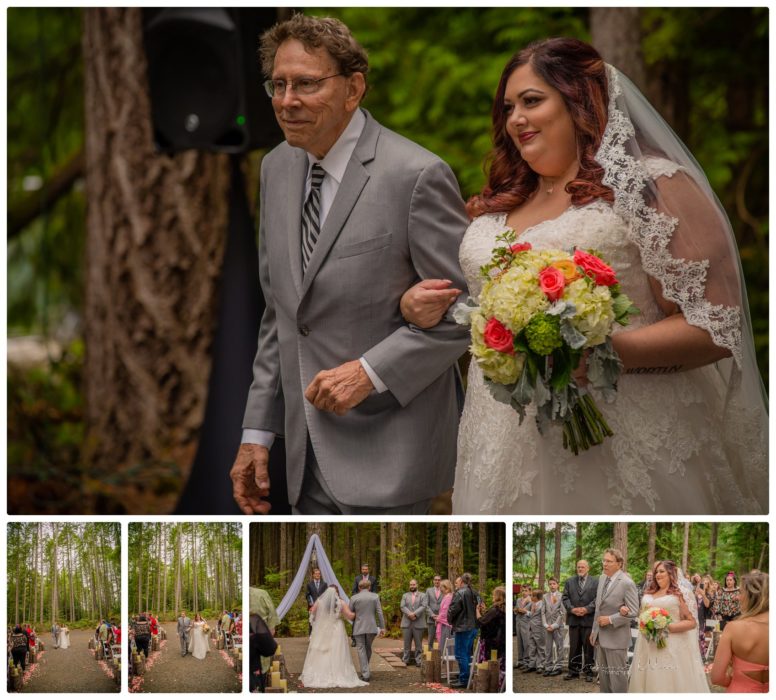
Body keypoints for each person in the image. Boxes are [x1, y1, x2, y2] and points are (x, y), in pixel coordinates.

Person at [399, 36, 768, 515]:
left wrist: (603, 352)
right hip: (501, 437)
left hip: (627, 429)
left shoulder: (652, 187)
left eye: (532, 101)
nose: (516, 118)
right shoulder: (495, 204)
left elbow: (717, 326)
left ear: (580, 100)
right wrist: (421, 308)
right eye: (508, 107)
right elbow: (485, 311)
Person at [230, 13, 470, 516]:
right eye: (279, 84)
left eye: (307, 84)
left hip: (391, 454)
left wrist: (370, 371)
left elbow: (468, 311)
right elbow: (282, 315)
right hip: (300, 458)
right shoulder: (274, 168)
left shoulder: (417, 175)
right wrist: (257, 433)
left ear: (353, 88)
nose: (287, 100)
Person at [628, 560, 709, 692]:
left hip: (669, 646)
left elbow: (692, 622)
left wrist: (666, 627)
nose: (657, 575)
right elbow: (643, 614)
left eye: (661, 572)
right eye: (656, 572)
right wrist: (645, 623)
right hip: (647, 645)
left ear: (670, 573)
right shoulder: (649, 592)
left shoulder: (680, 593)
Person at [710, 571, 768, 692]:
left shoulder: (733, 628)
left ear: (752, 596)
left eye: (741, 592)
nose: (738, 597)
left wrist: (737, 682)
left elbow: (716, 677)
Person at [590, 548, 638, 693]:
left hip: (617, 639)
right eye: (604, 560)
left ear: (619, 564)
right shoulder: (602, 578)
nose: (605, 564)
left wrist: (611, 619)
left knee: (617, 680)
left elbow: (634, 611)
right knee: (604, 679)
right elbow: (599, 608)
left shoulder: (626, 583)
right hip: (601, 636)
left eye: (609, 561)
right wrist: (594, 631)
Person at [299, 586, 367, 688]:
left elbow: (311, 612)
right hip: (337, 629)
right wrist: (359, 612)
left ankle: (320, 674)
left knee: (322, 651)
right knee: (337, 650)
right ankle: (338, 673)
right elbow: (350, 616)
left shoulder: (319, 601)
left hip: (323, 628)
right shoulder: (341, 603)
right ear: (337, 593)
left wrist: (318, 621)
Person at [561, 560, 597, 682]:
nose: (580, 569)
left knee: (588, 647)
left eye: (582, 567)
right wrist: (572, 609)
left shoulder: (596, 581)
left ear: (588, 568)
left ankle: (588, 671)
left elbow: (598, 599)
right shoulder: (569, 581)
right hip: (574, 619)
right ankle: (573, 671)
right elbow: (565, 598)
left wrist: (587, 609)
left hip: (588, 619)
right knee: (574, 646)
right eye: (578, 567)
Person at [349, 578, 386, 681]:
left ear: (359, 587)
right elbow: (380, 612)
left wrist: (353, 623)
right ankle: (366, 671)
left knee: (361, 649)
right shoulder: (375, 597)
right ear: (369, 587)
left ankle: (365, 673)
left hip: (358, 627)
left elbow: (351, 614)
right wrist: (382, 627)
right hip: (371, 627)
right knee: (368, 648)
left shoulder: (354, 598)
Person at [448, 573, 479, 688]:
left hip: (463, 627)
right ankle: (465, 675)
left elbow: (452, 609)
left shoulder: (460, 593)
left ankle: (464, 679)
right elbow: (481, 606)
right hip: (474, 627)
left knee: (460, 654)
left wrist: (450, 620)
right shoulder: (476, 592)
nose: (456, 584)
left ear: (462, 581)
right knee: (466, 653)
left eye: (457, 582)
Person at [475, 586, 506, 680]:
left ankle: (489, 682)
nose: (492, 596)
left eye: (494, 594)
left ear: (498, 596)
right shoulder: (503, 608)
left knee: (490, 664)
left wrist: (477, 610)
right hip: (501, 641)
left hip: (492, 642)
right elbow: (491, 621)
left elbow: (481, 621)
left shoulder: (495, 609)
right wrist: (484, 610)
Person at [400, 579, 427, 666]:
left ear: (417, 585)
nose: (412, 586)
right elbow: (402, 606)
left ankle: (418, 661)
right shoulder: (405, 595)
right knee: (406, 643)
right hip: (407, 623)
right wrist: (409, 614)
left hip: (418, 623)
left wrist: (414, 614)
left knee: (418, 644)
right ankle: (405, 660)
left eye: (414, 584)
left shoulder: (423, 595)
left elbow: (423, 606)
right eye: (411, 585)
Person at [541, 578, 564, 676]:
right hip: (547, 625)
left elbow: (562, 612)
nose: (552, 586)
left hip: (557, 626)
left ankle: (558, 666)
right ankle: (548, 666)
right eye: (550, 584)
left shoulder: (562, 596)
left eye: (554, 584)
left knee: (559, 646)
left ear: (557, 585)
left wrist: (554, 625)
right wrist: (546, 624)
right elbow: (542, 612)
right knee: (548, 647)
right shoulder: (545, 596)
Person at [514, 585, 532, 670]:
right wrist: (516, 610)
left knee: (526, 642)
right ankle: (520, 660)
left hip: (526, 623)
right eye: (522, 590)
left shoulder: (531, 601)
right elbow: (516, 609)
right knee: (519, 642)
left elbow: (533, 614)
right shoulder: (518, 599)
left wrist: (525, 611)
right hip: (518, 622)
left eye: (525, 590)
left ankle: (527, 661)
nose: (523, 592)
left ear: (529, 592)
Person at [435, 579, 455, 655]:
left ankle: (447, 661)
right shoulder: (447, 596)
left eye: (441, 587)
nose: (440, 589)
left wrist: (438, 618)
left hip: (446, 625)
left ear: (446, 588)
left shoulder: (448, 597)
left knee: (446, 645)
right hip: (444, 623)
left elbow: (445, 612)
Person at [425, 575, 444, 649]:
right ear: (433, 581)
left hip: (442, 619)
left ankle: (441, 654)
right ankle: (430, 654)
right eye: (435, 580)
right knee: (431, 638)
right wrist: (432, 615)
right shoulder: (428, 590)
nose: (437, 581)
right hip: (431, 618)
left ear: (441, 581)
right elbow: (425, 605)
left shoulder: (444, 590)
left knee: (441, 637)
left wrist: (440, 616)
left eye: (439, 580)